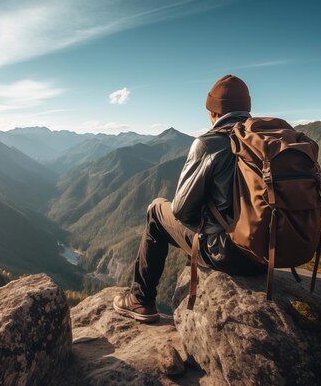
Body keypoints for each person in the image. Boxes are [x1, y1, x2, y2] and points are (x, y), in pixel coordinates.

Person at [113, 74, 266, 322]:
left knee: (156, 210)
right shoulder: (266, 141)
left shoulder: (210, 143)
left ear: (214, 112)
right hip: (268, 256)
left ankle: (140, 300)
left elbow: (182, 211)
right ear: (246, 108)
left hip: (230, 253)